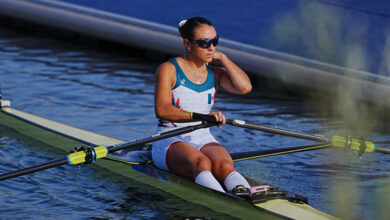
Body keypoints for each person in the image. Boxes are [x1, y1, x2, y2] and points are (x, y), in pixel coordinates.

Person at [152, 17, 252, 193]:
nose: (211, 47)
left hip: (202, 137)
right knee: (202, 163)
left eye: (214, 41)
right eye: (204, 43)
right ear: (187, 44)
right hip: (169, 138)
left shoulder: (215, 74)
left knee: (225, 165)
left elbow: (245, 87)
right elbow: (162, 109)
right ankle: (224, 201)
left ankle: (245, 195)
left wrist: (223, 58)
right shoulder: (169, 69)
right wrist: (203, 117)